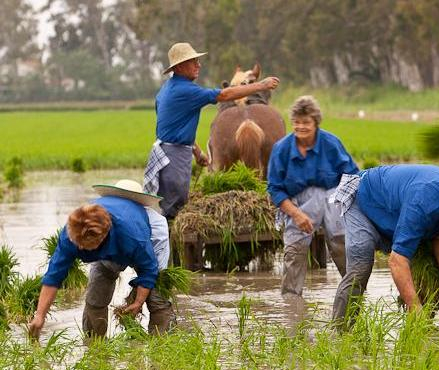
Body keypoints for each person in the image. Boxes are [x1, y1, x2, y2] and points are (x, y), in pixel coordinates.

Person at [331, 164, 439, 325]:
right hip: (365, 202)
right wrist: (415, 309)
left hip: (396, 213)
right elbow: (397, 261)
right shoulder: (424, 201)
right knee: (360, 268)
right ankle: (341, 330)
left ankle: (423, 326)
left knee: (428, 267)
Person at [144, 42, 280, 218]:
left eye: (198, 61)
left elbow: (172, 127)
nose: (198, 65)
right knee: (174, 210)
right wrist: (261, 85)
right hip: (174, 159)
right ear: (178, 67)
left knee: (172, 207)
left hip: (172, 153)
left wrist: (198, 152)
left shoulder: (166, 89)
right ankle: (169, 245)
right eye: (193, 61)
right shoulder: (185, 90)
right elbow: (223, 95)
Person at [27, 180, 173, 339]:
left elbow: (149, 269)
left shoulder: (134, 237)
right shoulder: (71, 235)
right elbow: (53, 277)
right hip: (111, 249)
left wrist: (138, 301)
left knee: (156, 297)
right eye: (78, 244)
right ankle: (94, 347)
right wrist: (40, 315)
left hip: (141, 240)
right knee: (95, 298)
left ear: (103, 236)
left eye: (86, 245)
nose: (80, 250)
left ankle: (161, 344)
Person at [267, 95, 359, 296]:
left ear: (316, 123)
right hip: (298, 203)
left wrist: (347, 210)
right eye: (297, 123)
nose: (301, 127)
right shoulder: (281, 149)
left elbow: (352, 176)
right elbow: (275, 188)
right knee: (294, 250)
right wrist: (296, 214)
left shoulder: (331, 144)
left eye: (306, 122)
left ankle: (353, 294)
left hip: (332, 198)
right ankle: (291, 303)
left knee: (342, 243)